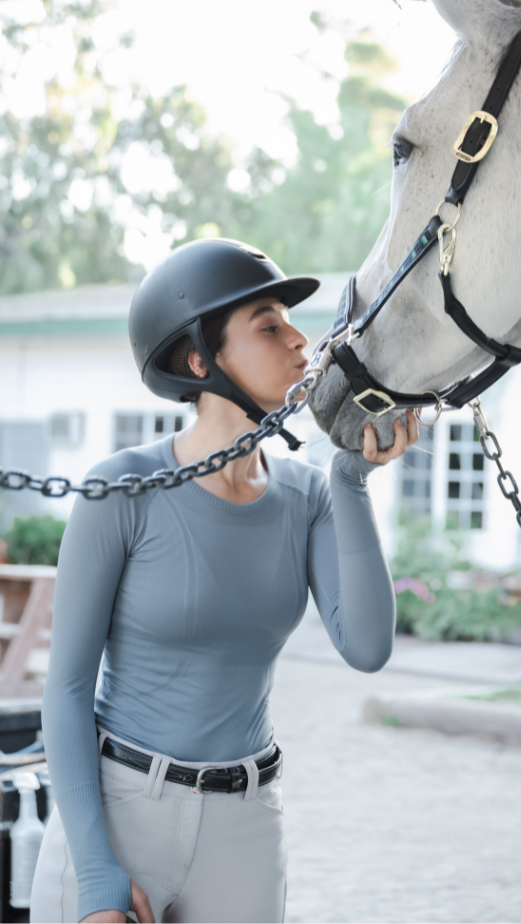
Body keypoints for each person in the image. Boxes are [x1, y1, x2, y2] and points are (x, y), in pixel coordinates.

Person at [31, 238, 417, 924]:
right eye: (269, 324)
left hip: (245, 822)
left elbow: (366, 646)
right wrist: (96, 876)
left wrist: (351, 478)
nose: (301, 340)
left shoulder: (307, 496)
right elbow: (63, 691)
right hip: (118, 811)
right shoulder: (121, 487)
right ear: (199, 360)